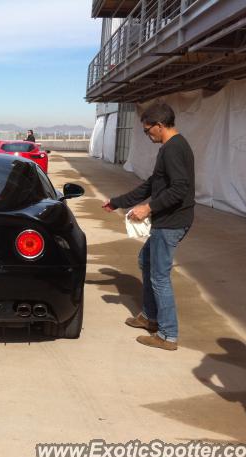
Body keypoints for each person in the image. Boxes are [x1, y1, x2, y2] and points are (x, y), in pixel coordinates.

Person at [102, 102, 195, 351]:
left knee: (160, 277)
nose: (147, 134)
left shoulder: (174, 149)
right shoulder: (169, 148)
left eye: (147, 130)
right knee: (146, 261)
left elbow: (180, 188)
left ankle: (168, 335)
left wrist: (148, 208)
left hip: (171, 222)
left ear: (160, 125)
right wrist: (117, 202)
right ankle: (150, 317)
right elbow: (151, 185)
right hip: (167, 220)